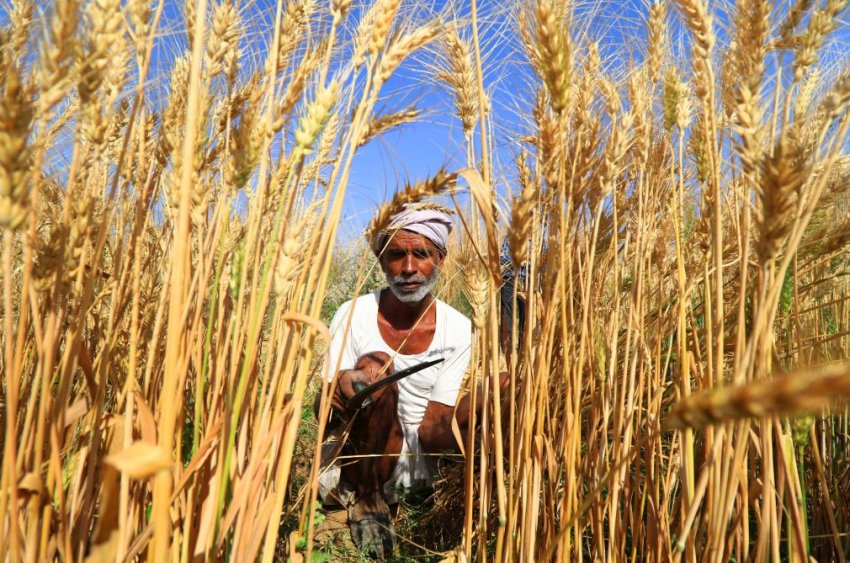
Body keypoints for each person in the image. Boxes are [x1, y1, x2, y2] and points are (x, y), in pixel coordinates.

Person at [315, 203, 473, 557]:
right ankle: (369, 501)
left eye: (422, 253)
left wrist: (482, 418)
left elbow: (433, 424)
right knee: (377, 365)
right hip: (360, 458)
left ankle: (465, 500)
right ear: (382, 261)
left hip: (417, 463)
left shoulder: (458, 327)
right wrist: (343, 392)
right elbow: (322, 415)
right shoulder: (354, 312)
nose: (409, 268)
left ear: (441, 259)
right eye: (397, 254)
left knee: (499, 389)